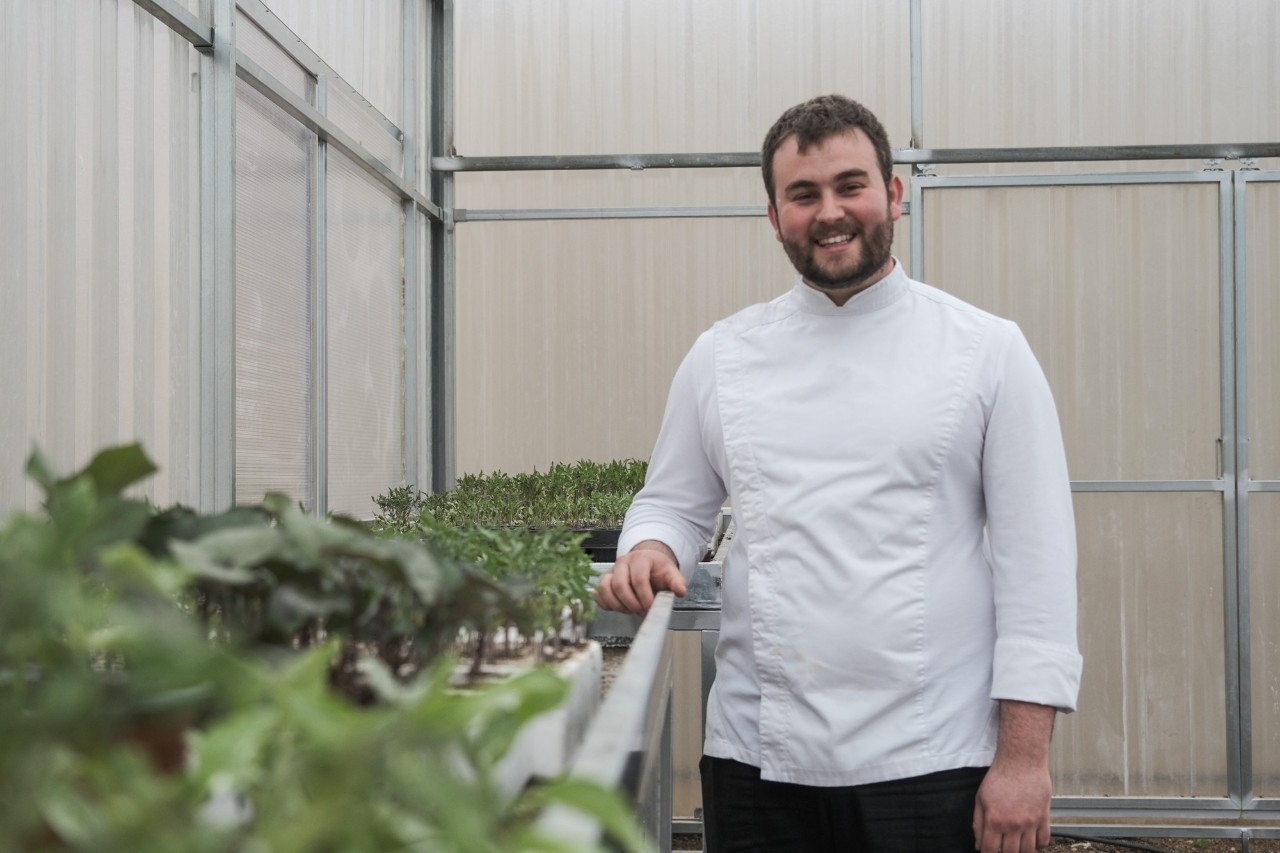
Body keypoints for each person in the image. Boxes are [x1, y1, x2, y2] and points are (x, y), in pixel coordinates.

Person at [593, 94, 1082, 853]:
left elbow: (1037, 569)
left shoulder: (986, 351)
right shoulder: (722, 355)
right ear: (774, 215)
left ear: (894, 193)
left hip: (934, 755)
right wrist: (650, 547)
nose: (830, 212)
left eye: (851, 185)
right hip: (757, 757)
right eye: (803, 194)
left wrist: (1023, 761)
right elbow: (674, 504)